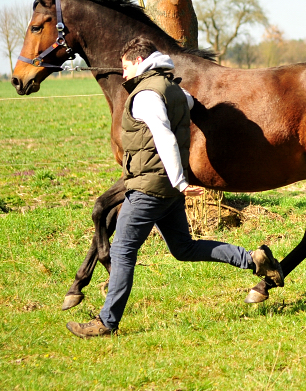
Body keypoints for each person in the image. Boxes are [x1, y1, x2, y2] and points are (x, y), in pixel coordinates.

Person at [66, 37, 283, 338]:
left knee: (123, 250)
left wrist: (181, 181)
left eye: (126, 66)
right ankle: (251, 259)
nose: (123, 73)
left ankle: (107, 322)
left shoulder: (145, 96)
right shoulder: (175, 90)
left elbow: (165, 138)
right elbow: (191, 105)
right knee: (184, 248)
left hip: (149, 189)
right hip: (166, 191)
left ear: (140, 62)